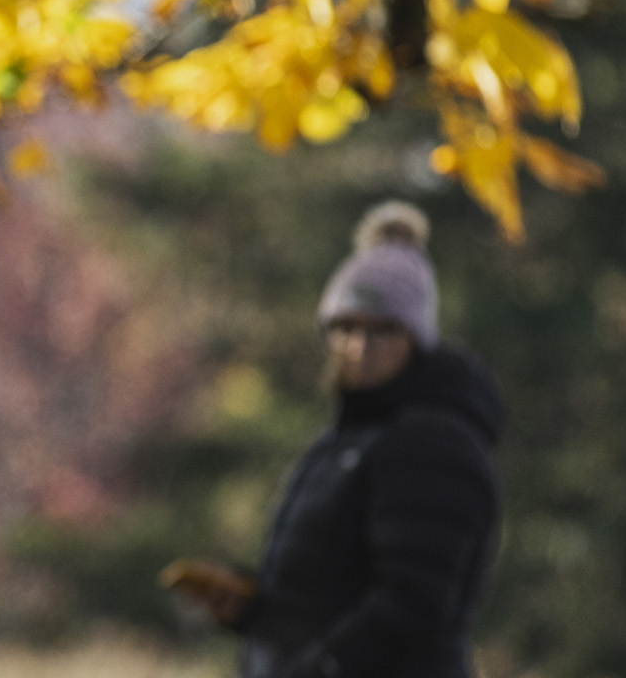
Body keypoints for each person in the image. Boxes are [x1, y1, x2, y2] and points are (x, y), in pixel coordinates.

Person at [163, 201, 503, 678]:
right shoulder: (344, 441)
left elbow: (415, 605)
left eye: (383, 330)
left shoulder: (432, 444)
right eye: (346, 327)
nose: (359, 347)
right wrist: (252, 610)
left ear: (417, 338)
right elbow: (328, 597)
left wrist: (319, 669)